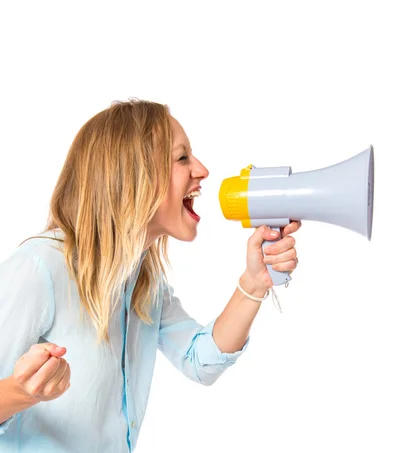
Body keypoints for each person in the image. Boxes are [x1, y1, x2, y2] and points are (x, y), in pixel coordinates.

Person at [0, 99, 301, 453]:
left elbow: (200, 360)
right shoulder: (40, 268)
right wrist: (21, 393)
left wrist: (255, 282)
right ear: (132, 174)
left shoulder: (143, 282)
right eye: (182, 158)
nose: (202, 170)